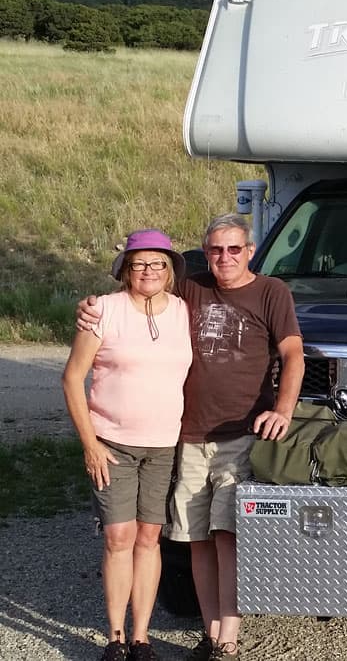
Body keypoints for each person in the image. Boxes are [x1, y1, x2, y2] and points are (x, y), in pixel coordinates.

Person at [78, 214, 305, 661]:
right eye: (216, 250)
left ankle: (228, 641)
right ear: (206, 253)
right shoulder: (191, 288)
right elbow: (142, 288)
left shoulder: (272, 292)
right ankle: (209, 632)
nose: (225, 258)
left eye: (234, 249)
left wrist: (283, 408)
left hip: (240, 434)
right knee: (196, 537)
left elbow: (293, 353)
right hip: (186, 435)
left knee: (227, 536)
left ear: (250, 250)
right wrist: (90, 307)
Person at [64, 229, 193, 661]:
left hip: (163, 444)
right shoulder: (103, 311)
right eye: (138, 264)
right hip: (112, 442)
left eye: (158, 263)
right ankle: (115, 637)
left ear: (170, 270)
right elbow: (71, 378)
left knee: (150, 538)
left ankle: (142, 637)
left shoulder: (182, 311)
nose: (148, 271)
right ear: (124, 270)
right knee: (119, 537)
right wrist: (90, 445)